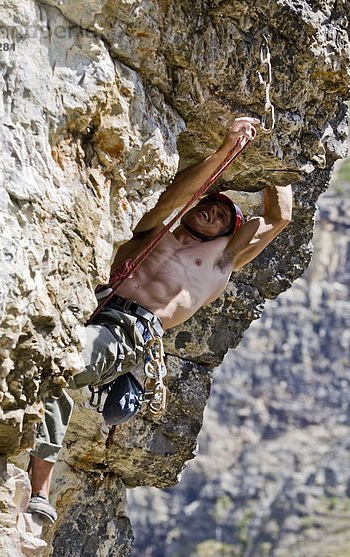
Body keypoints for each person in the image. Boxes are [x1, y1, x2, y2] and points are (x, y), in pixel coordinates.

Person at [27, 116, 293, 521]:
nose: (212, 213)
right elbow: (176, 195)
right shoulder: (155, 227)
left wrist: (276, 152)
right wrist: (224, 151)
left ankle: (39, 493)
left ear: (229, 233)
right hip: (95, 311)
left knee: (64, 365)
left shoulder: (220, 262)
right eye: (208, 204)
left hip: (130, 333)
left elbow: (279, 218)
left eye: (223, 216)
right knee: (51, 367)